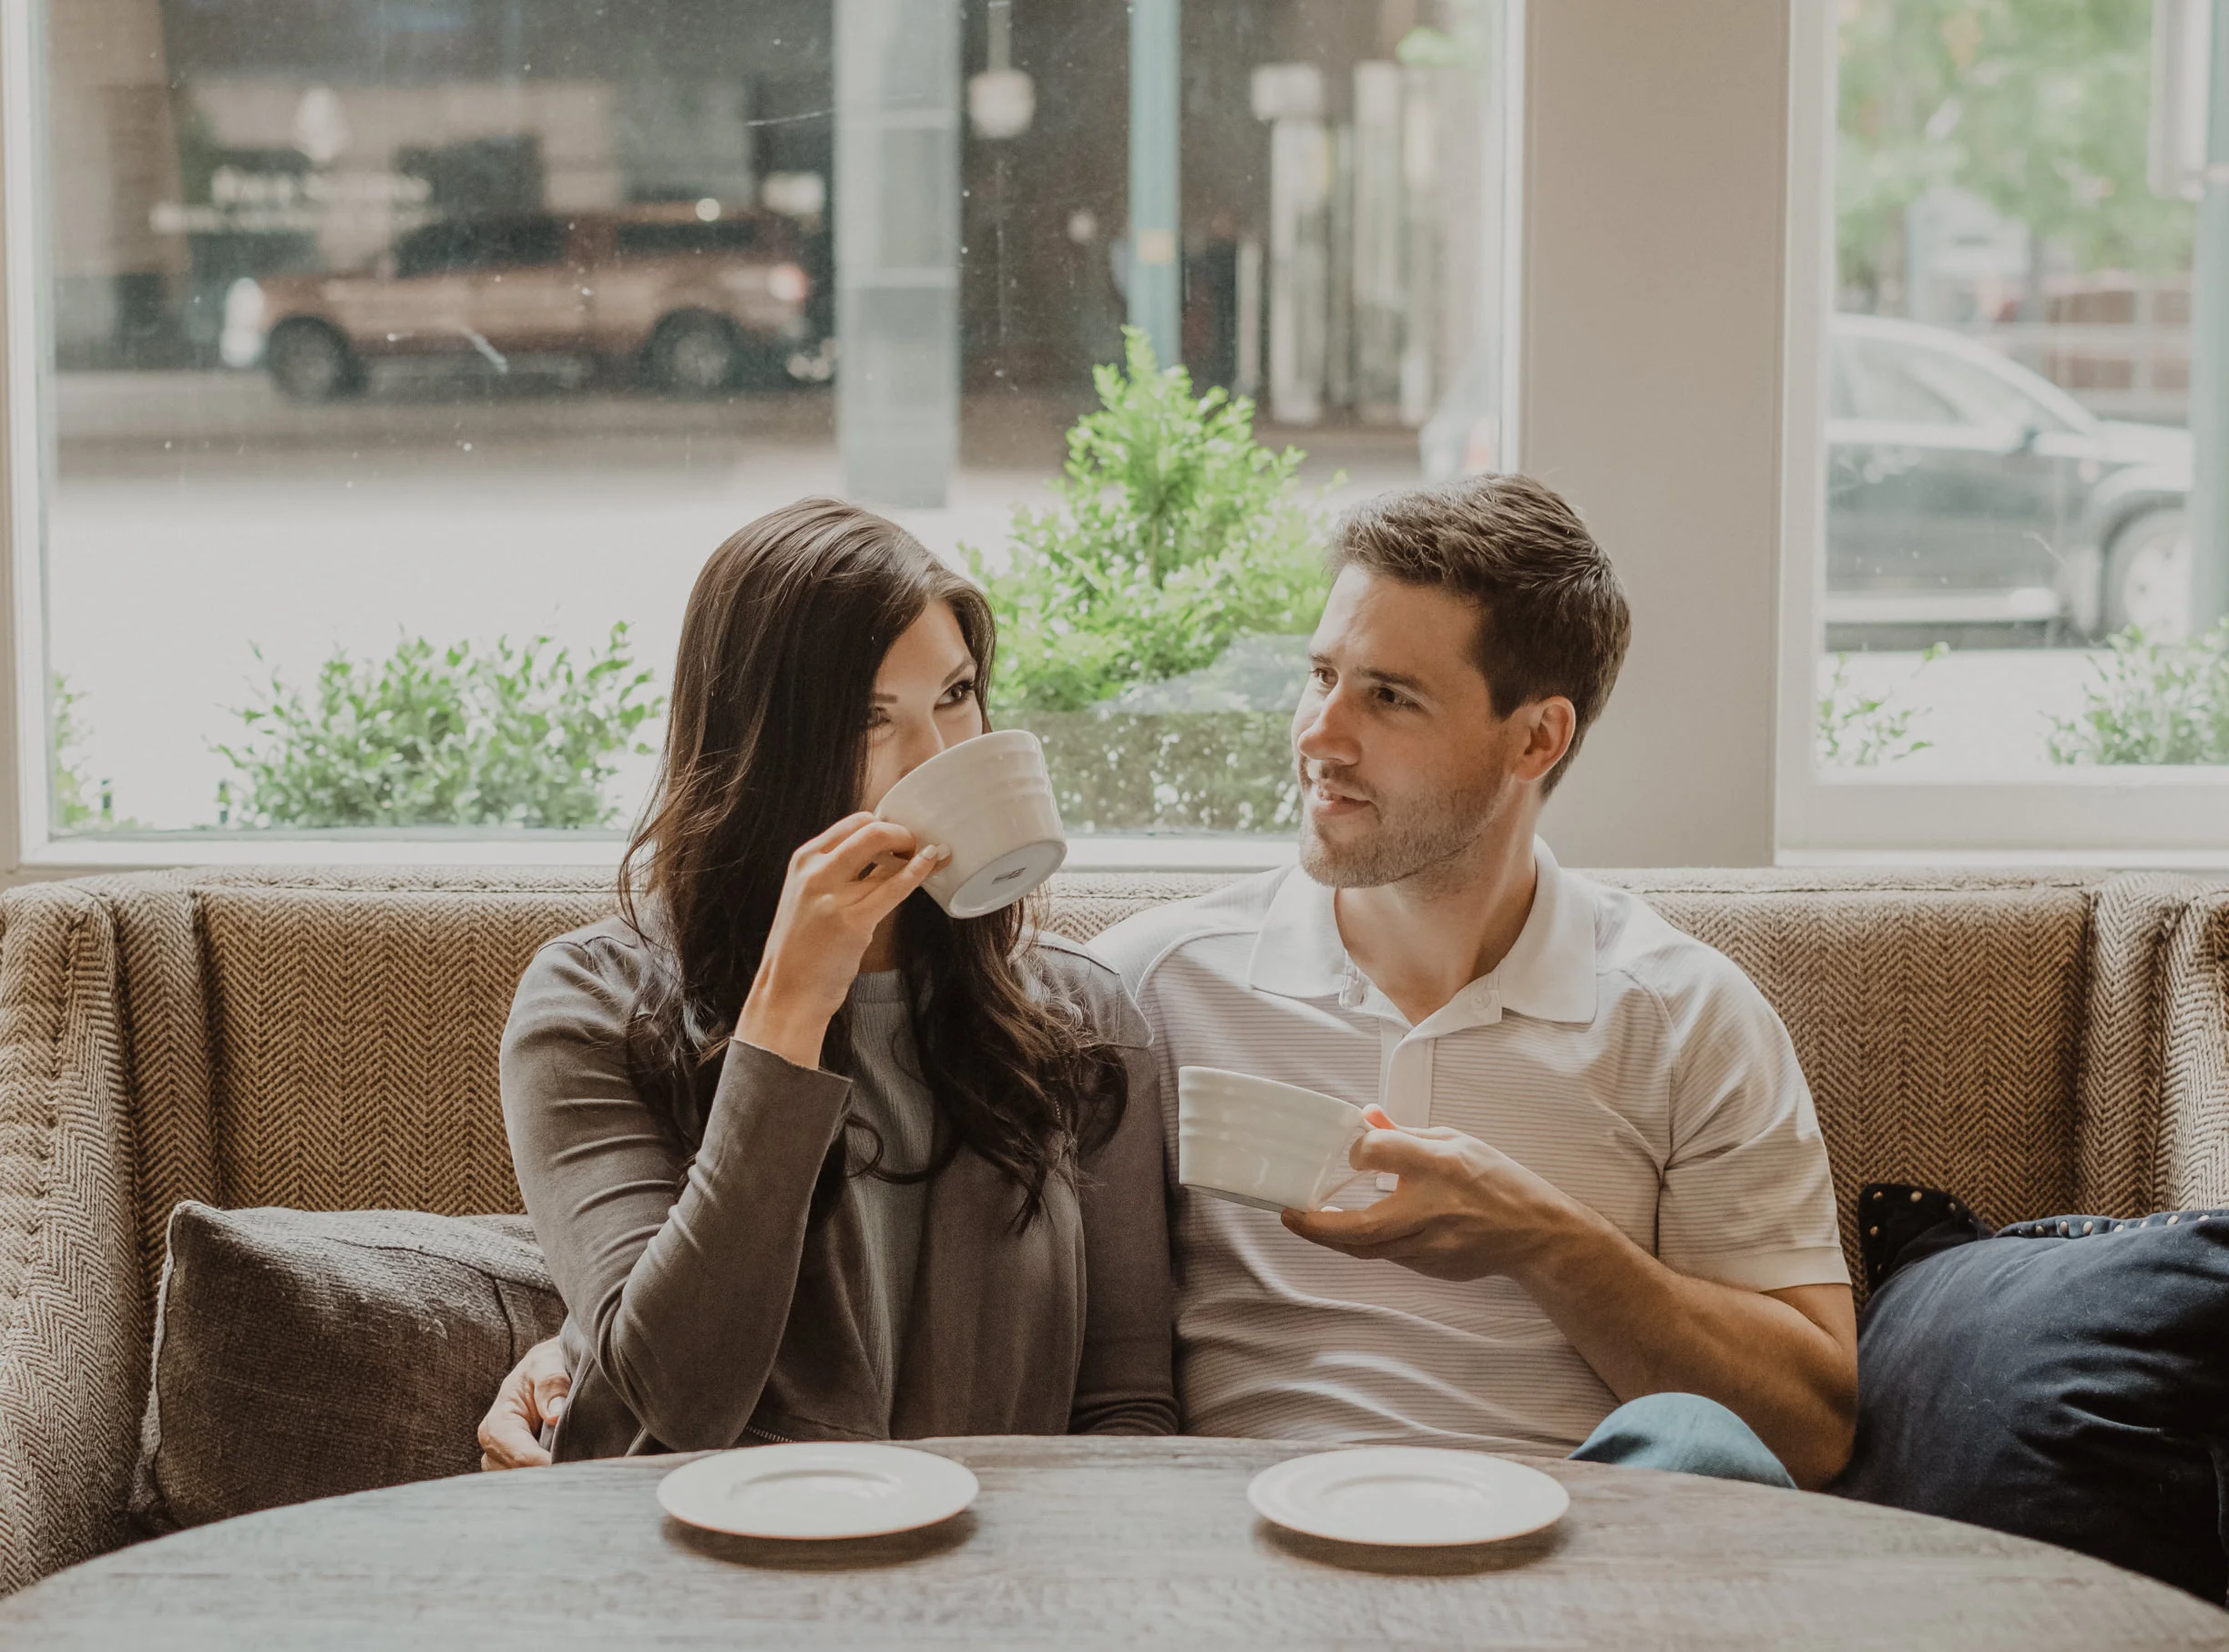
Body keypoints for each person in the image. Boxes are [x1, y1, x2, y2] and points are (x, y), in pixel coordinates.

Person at [486, 474, 1853, 1490]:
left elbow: (1807, 1427)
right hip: (1198, 1560)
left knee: (1692, 1452)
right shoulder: (1154, 986)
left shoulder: (1684, 1017)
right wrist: (589, 1334)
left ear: (1534, 736)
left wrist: (1539, 1234)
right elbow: (655, 1383)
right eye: (1318, 676)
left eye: (1390, 697)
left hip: (1559, 1545)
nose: (1316, 734)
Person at [492, 497, 1174, 1464]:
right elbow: (674, 1403)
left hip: (990, 1583)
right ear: (759, 747)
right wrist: (788, 1012)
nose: (938, 754)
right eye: (870, 717)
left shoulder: (1077, 1016)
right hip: (697, 1574)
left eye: (956, 693)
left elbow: (1129, 1405)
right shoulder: (590, 1007)